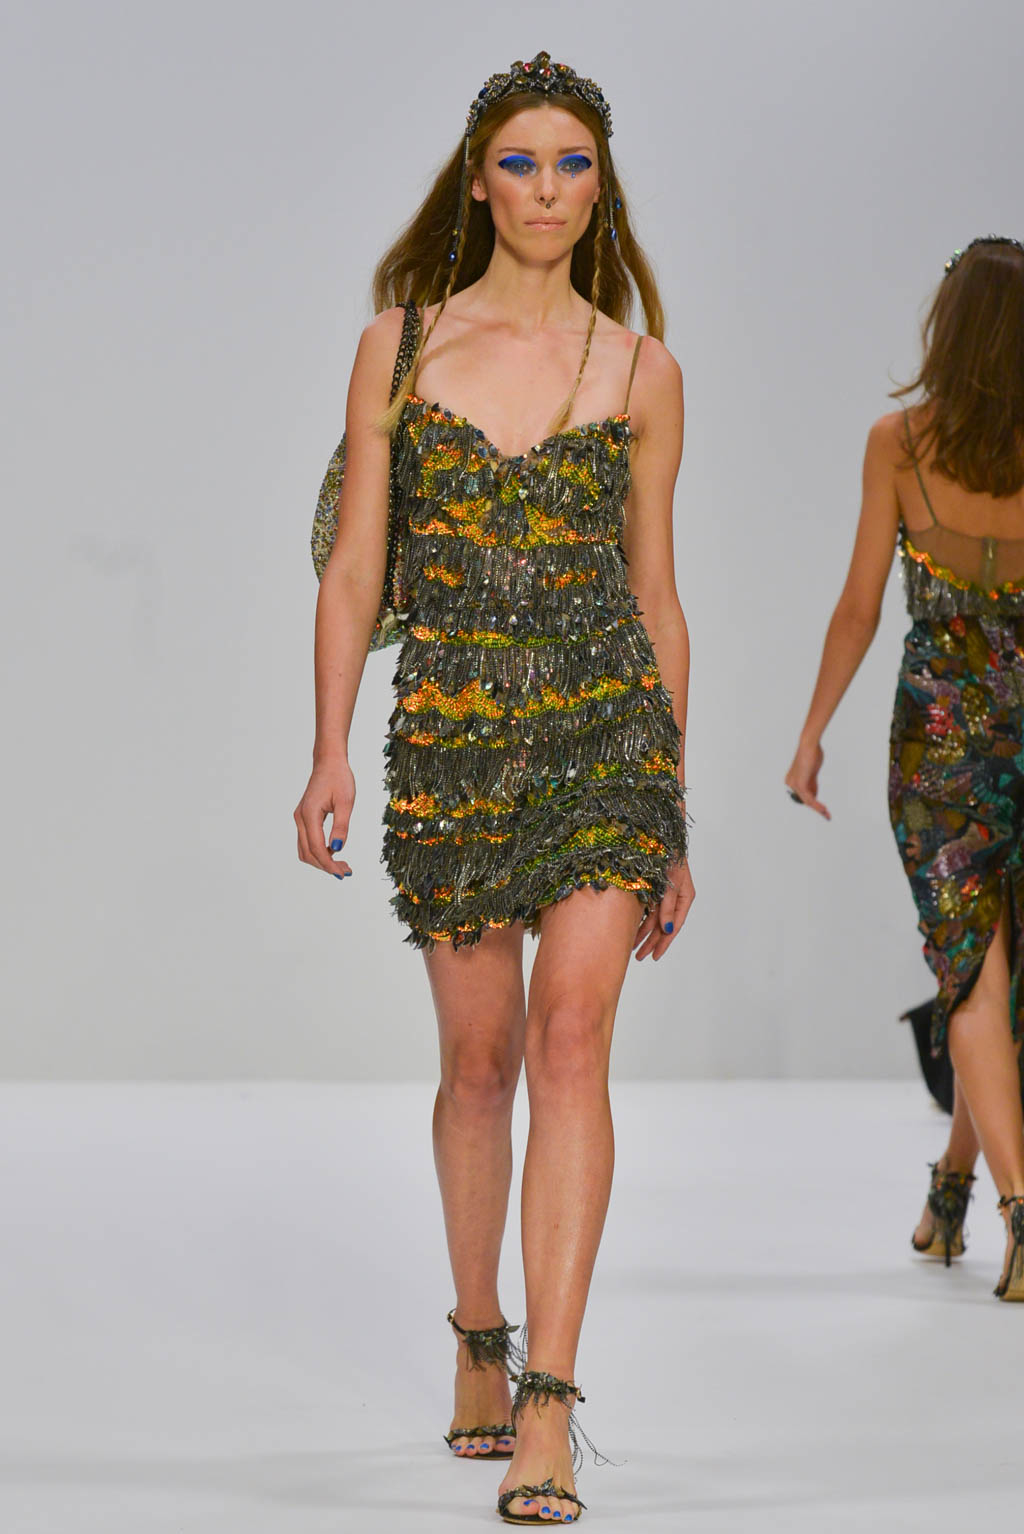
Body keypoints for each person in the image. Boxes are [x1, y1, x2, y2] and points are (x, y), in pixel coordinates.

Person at [294, 52, 693, 1523]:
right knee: (479, 1063)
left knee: (570, 1040)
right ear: (477, 182)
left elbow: (657, 597)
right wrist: (331, 745)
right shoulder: (396, 348)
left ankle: (548, 1407)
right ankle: (479, 1335)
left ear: (601, 189)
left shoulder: (642, 371)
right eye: (520, 162)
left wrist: (672, 811)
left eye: (572, 163)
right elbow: (355, 568)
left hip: (605, 742)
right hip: (455, 740)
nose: (545, 188)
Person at [786, 235, 1024, 1301]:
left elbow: (858, 605)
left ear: (949, 329)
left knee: (970, 971)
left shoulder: (900, 445)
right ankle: (952, 1195)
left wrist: (811, 733)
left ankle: (1018, 1210)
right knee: (998, 980)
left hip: (939, 744)